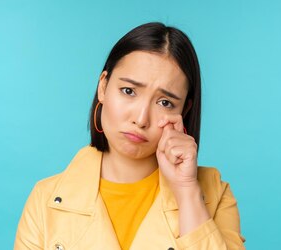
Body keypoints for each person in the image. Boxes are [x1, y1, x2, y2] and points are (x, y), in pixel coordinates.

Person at [14, 22, 245, 250]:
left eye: (165, 102)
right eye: (129, 91)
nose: (141, 119)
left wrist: (186, 191)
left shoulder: (214, 195)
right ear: (103, 87)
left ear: (183, 111)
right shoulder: (45, 200)